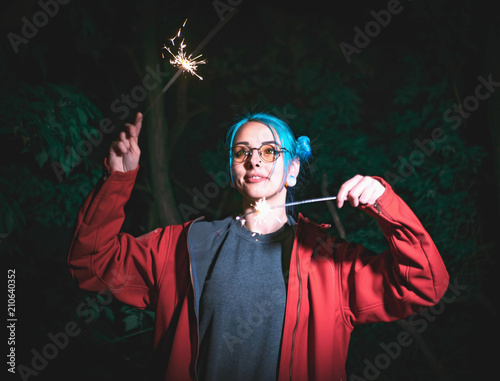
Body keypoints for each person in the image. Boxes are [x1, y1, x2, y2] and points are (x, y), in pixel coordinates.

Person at [68, 111, 449, 381]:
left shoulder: (330, 263)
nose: (253, 159)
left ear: (293, 169)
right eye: (241, 151)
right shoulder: (185, 245)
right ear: (233, 168)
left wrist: (386, 204)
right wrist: (117, 179)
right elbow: (92, 262)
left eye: (269, 151)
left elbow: (424, 284)